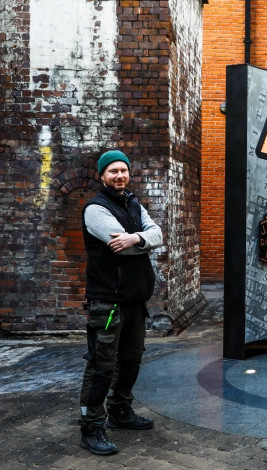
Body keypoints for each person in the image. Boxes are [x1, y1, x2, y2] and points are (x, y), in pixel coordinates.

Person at [79, 150, 163, 455]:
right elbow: (121, 248)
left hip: (134, 300)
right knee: (102, 365)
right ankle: (90, 428)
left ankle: (120, 412)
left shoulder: (134, 202)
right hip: (108, 302)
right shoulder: (95, 209)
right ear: (102, 176)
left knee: (131, 360)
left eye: (123, 171)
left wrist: (136, 238)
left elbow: (158, 234)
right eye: (112, 171)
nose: (119, 176)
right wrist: (140, 241)